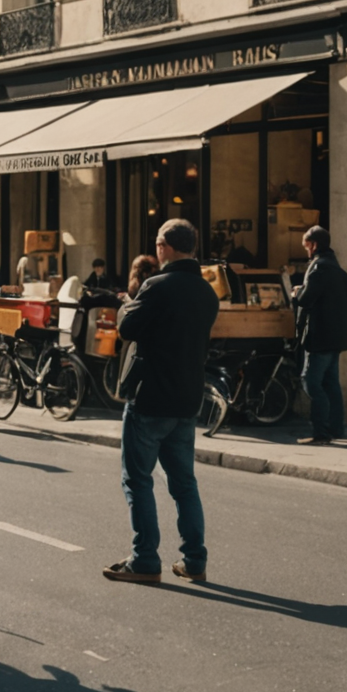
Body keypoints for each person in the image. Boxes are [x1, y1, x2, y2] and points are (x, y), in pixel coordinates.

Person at [104, 220, 220, 586]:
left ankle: (145, 559)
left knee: (137, 480)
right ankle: (194, 560)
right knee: (184, 483)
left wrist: (127, 303)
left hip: (150, 398)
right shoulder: (206, 291)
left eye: (158, 244)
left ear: (165, 247)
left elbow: (127, 328)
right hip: (186, 399)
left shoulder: (156, 286)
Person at [286, 226, 347, 445]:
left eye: (307, 246)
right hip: (337, 337)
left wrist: (297, 292)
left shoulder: (319, 268)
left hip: (320, 336)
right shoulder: (339, 270)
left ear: (314, 245)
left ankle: (321, 432)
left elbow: (307, 299)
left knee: (311, 382)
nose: (306, 251)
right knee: (331, 382)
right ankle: (336, 428)